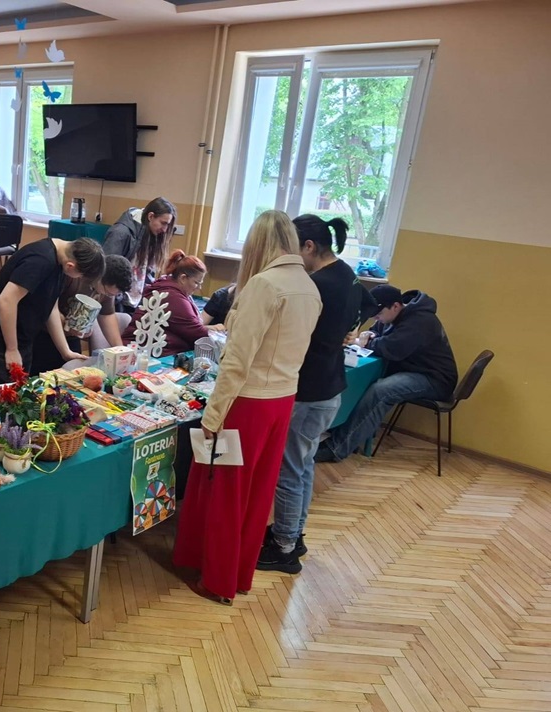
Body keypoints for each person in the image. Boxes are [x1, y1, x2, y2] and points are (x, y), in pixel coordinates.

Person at [173, 210, 321, 604]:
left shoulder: (264, 285)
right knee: (257, 493)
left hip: (249, 404)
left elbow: (237, 362)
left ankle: (218, 580)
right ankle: (236, 573)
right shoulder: (308, 286)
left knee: (227, 490)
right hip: (281, 400)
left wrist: (213, 415)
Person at [255, 215, 376, 575]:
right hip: (330, 386)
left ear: (308, 247)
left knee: (289, 470)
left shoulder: (316, 284)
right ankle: (293, 532)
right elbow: (370, 306)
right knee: (303, 464)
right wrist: (349, 330)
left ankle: (284, 546)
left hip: (309, 389)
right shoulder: (347, 273)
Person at [316, 284, 458, 462]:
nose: (376, 318)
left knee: (381, 391)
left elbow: (393, 348)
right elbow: (377, 334)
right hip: (415, 371)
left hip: (435, 379)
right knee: (364, 380)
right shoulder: (395, 315)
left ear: (396, 306)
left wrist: (366, 342)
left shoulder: (421, 320)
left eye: (378, 315)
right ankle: (343, 431)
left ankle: (337, 448)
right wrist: (369, 335)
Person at [0, 237, 105, 385]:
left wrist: (65, 351)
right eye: (80, 275)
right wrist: (12, 349)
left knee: (21, 391)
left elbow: (51, 307)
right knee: (3, 392)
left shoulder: (61, 261)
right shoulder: (40, 260)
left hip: (22, 337)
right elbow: (6, 301)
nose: (78, 278)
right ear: (71, 266)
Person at [29, 254, 134, 374]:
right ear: (100, 276)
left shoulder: (108, 290)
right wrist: (66, 326)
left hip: (72, 338)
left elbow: (107, 315)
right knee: (41, 376)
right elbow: (51, 309)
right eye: (108, 292)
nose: (107, 295)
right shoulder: (74, 276)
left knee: (70, 375)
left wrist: (120, 350)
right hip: (43, 334)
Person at [121, 250, 224, 357]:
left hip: (145, 350)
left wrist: (210, 329)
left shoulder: (167, 286)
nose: (199, 288)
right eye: (196, 283)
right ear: (183, 278)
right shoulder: (174, 298)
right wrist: (214, 331)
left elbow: (191, 327)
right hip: (140, 354)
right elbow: (198, 334)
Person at [102, 197, 176, 313]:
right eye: (163, 223)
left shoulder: (152, 233)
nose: (165, 229)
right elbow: (107, 270)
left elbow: (147, 272)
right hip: (117, 301)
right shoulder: (120, 233)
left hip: (134, 301)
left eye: (168, 225)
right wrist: (118, 297)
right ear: (150, 216)